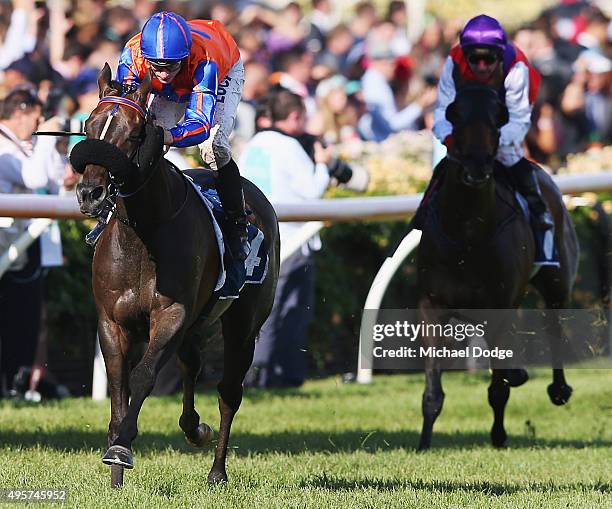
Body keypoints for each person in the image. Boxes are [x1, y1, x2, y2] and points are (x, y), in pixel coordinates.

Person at [89, 11, 250, 260]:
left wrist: (169, 136)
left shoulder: (204, 61)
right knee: (136, 138)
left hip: (223, 69)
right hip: (178, 75)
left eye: (171, 65)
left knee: (213, 147)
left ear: (183, 57)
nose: (164, 74)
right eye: (158, 66)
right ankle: (111, 211)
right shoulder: (132, 55)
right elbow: (125, 112)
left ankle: (238, 224)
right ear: (146, 58)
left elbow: (200, 124)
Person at [418, 14, 553, 230]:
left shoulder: (517, 67)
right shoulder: (453, 62)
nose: (481, 67)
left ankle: (541, 218)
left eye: (488, 60)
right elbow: (443, 111)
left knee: (511, 158)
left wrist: (489, 143)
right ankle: (421, 219)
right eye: (474, 59)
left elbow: (518, 121)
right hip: (467, 121)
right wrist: (452, 139)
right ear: (465, 54)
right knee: (444, 168)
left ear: (499, 56)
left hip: (504, 115)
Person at [240, 88, 332, 388]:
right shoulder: (289, 146)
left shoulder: (253, 144)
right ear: (294, 116)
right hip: (292, 242)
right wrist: (323, 164)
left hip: (255, 242)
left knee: (261, 312)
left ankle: (255, 375)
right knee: (288, 314)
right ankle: (278, 377)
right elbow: (312, 191)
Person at [0, 87, 64, 396]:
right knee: (14, 319)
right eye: (36, 117)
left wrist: (48, 145)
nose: (39, 122)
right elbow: (35, 179)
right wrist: (45, 139)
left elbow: (55, 179)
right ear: (20, 112)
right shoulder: (3, 144)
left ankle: (19, 381)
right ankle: (12, 381)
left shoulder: (24, 145)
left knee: (24, 318)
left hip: (23, 246)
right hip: (10, 245)